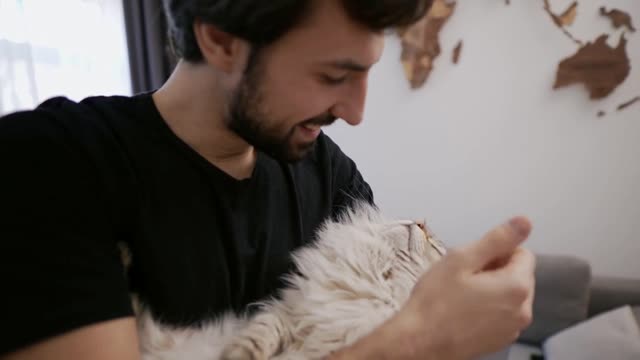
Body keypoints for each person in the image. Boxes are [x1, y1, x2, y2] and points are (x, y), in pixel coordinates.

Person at [0, 0, 536, 359]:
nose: (355, 112)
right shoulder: (50, 161)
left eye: (367, 73)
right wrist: (422, 336)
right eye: (333, 76)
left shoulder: (330, 175)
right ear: (221, 41)